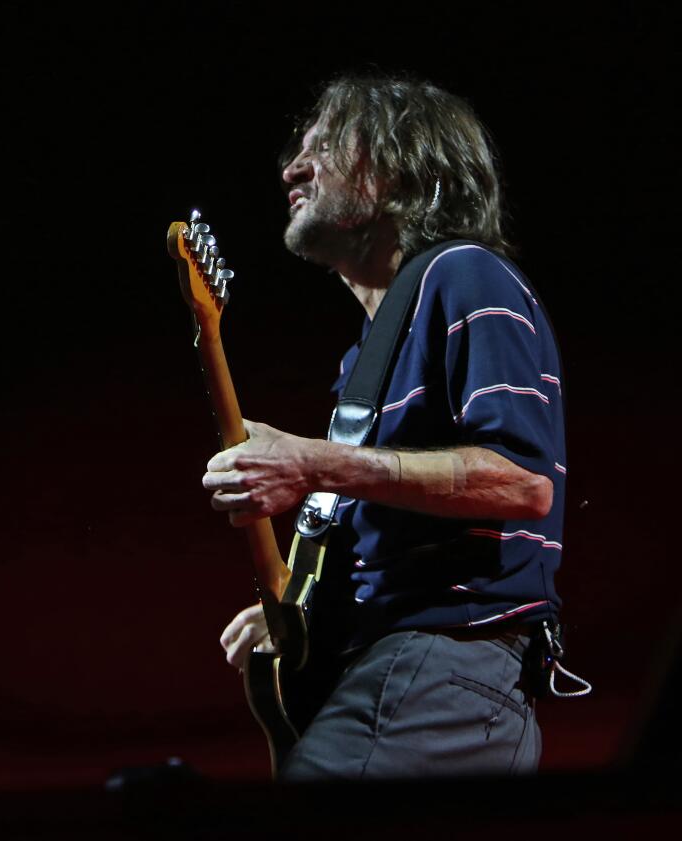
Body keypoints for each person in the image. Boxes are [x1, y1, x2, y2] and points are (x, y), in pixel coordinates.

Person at [204, 76, 567, 779]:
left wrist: (312, 461)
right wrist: (300, 617)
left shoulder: (468, 276)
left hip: (441, 665)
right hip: (400, 666)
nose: (294, 167)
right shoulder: (369, 354)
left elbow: (523, 483)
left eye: (327, 145)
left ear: (403, 169)